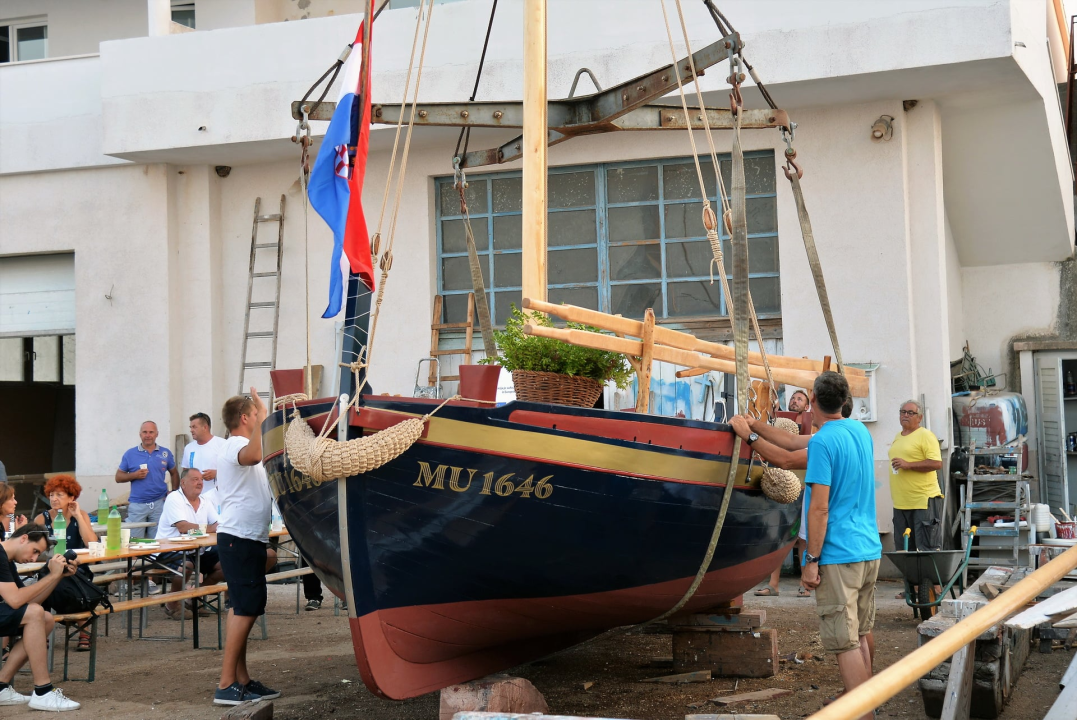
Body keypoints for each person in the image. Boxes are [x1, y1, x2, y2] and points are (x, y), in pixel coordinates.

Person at [798, 372, 880, 720]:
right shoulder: (860, 431)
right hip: (868, 548)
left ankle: (863, 714)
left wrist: (811, 559)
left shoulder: (821, 443)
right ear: (845, 401)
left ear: (812, 400)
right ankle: (864, 703)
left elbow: (819, 507)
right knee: (860, 632)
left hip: (838, 554)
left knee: (842, 640)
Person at [734, 397, 852, 599]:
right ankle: (780, 583)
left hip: (838, 547)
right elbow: (790, 441)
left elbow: (786, 459)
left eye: (811, 405)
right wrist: (755, 424)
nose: (809, 413)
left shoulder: (824, 442)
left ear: (817, 406)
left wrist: (749, 436)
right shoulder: (854, 432)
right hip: (859, 544)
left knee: (842, 618)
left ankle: (802, 581)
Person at [213, 389, 280, 706]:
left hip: (247, 537)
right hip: (238, 537)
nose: (259, 419)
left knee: (240, 606)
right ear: (244, 418)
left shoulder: (245, 446)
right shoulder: (235, 445)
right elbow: (254, 454)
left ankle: (241, 680)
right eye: (254, 415)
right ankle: (226, 683)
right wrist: (266, 415)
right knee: (247, 606)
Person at [0, 524, 81, 711]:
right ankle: (43, 691)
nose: (34, 558)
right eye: (35, 551)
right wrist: (51, 576)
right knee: (36, 613)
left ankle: (1, 686)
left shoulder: (7, 558)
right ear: (23, 539)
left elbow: (28, 603)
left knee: (45, 618)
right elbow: (14, 600)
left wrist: (58, 576)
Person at [888, 399, 944, 601]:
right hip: (901, 502)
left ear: (920, 417)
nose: (905, 415)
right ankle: (913, 587)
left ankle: (934, 588)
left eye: (910, 413)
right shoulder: (898, 436)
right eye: (903, 411)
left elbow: (937, 463)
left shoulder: (926, 436)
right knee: (906, 550)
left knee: (926, 546)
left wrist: (909, 465)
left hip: (923, 499)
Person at [155, 468, 223, 620]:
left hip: (197, 550)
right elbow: (183, 527)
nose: (199, 482)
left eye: (201, 479)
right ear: (183, 483)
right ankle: (172, 604)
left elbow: (218, 524)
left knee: (226, 562)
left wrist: (208, 528)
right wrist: (208, 529)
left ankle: (193, 597)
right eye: (194, 479)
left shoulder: (205, 501)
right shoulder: (174, 498)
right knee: (186, 565)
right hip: (168, 549)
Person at [116, 421, 179, 539]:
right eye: (145, 432)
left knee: (159, 542)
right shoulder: (130, 454)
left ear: (157, 434)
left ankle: (155, 559)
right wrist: (134, 475)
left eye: (151, 432)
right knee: (134, 542)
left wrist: (174, 492)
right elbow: (118, 477)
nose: (148, 435)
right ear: (140, 434)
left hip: (159, 504)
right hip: (137, 504)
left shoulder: (165, 453)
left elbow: (174, 473)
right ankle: (136, 559)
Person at [33, 475, 98, 550]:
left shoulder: (81, 515)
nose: (54, 499)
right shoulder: (41, 519)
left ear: (71, 498)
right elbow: (35, 548)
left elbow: (92, 543)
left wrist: (78, 516)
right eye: (51, 495)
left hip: (77, 560)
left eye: (59, 495)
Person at [182, 413, 227, 498]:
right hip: (196, 498)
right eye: (190, 427)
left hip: (218, 497)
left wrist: (216, 473)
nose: (191, 430)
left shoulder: (222, 444)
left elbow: (233, 470)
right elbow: (185, 472)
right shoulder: (189, 448)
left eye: (194, 427)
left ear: (205, 427)